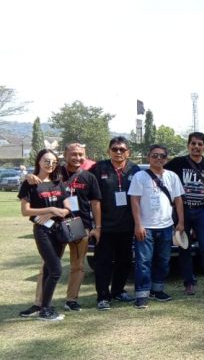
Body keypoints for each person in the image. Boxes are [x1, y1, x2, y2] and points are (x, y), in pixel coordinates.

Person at [23, 143, 102, 313]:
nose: (77, 158)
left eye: (81, 154)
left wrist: (98, 227)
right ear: (64, 156)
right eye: (73, 154)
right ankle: (39, 303)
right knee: (48, 265)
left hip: (81, 225)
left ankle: (71, 300)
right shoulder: (56, 173)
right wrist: (29, 176)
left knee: (78, 265)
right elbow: (38, 178)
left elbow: (95, 203)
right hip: (55, 226)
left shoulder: (89, 176)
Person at [165, 132, 204, 295]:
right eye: (193, 144)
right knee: (185, 247)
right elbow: (163, 174)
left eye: (200, 144)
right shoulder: (178, 163)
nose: (196, 147)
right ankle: (189, 283)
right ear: (188, 145)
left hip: (201, 211)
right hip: (182, 211)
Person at [128, 144, 185, 309]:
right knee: (143, 261)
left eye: (162, 156)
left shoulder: (172, 176)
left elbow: (179, 200)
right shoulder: (140, 176)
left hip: (166, 226)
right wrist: (138, 224)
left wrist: (180, 222)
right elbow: (135, 201)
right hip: (146, 227)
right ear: (149, 157)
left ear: (166, 159)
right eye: (155, 155)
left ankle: (158, 290)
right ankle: (142, 294)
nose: (158, 158)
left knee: (163, 260)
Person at [18, 149, 72, 321]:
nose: (50, 164)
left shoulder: (58, 182)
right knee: (56, 270)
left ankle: (41, 305)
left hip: (58, 230)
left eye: (53, 162)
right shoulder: (30, 183)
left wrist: (53, 213)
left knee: (49, 270)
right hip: (42, 231)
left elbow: (68, 209)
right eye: (46, 161)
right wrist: (50, 209)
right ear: (39, 161)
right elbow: (25, 211)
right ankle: (45, 310)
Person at [91, 136, 141, 310]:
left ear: (128, 152)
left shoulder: (134, 169)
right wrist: (96, 226)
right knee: (103, 262)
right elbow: (90, 195)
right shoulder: (99, 168)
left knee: (125, 261)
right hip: (105, 226)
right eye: (115, 149)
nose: (118, 152)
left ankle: (118, 291)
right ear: (108, 151)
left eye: (122, 149)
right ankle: (102, 296)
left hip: (127, 225)